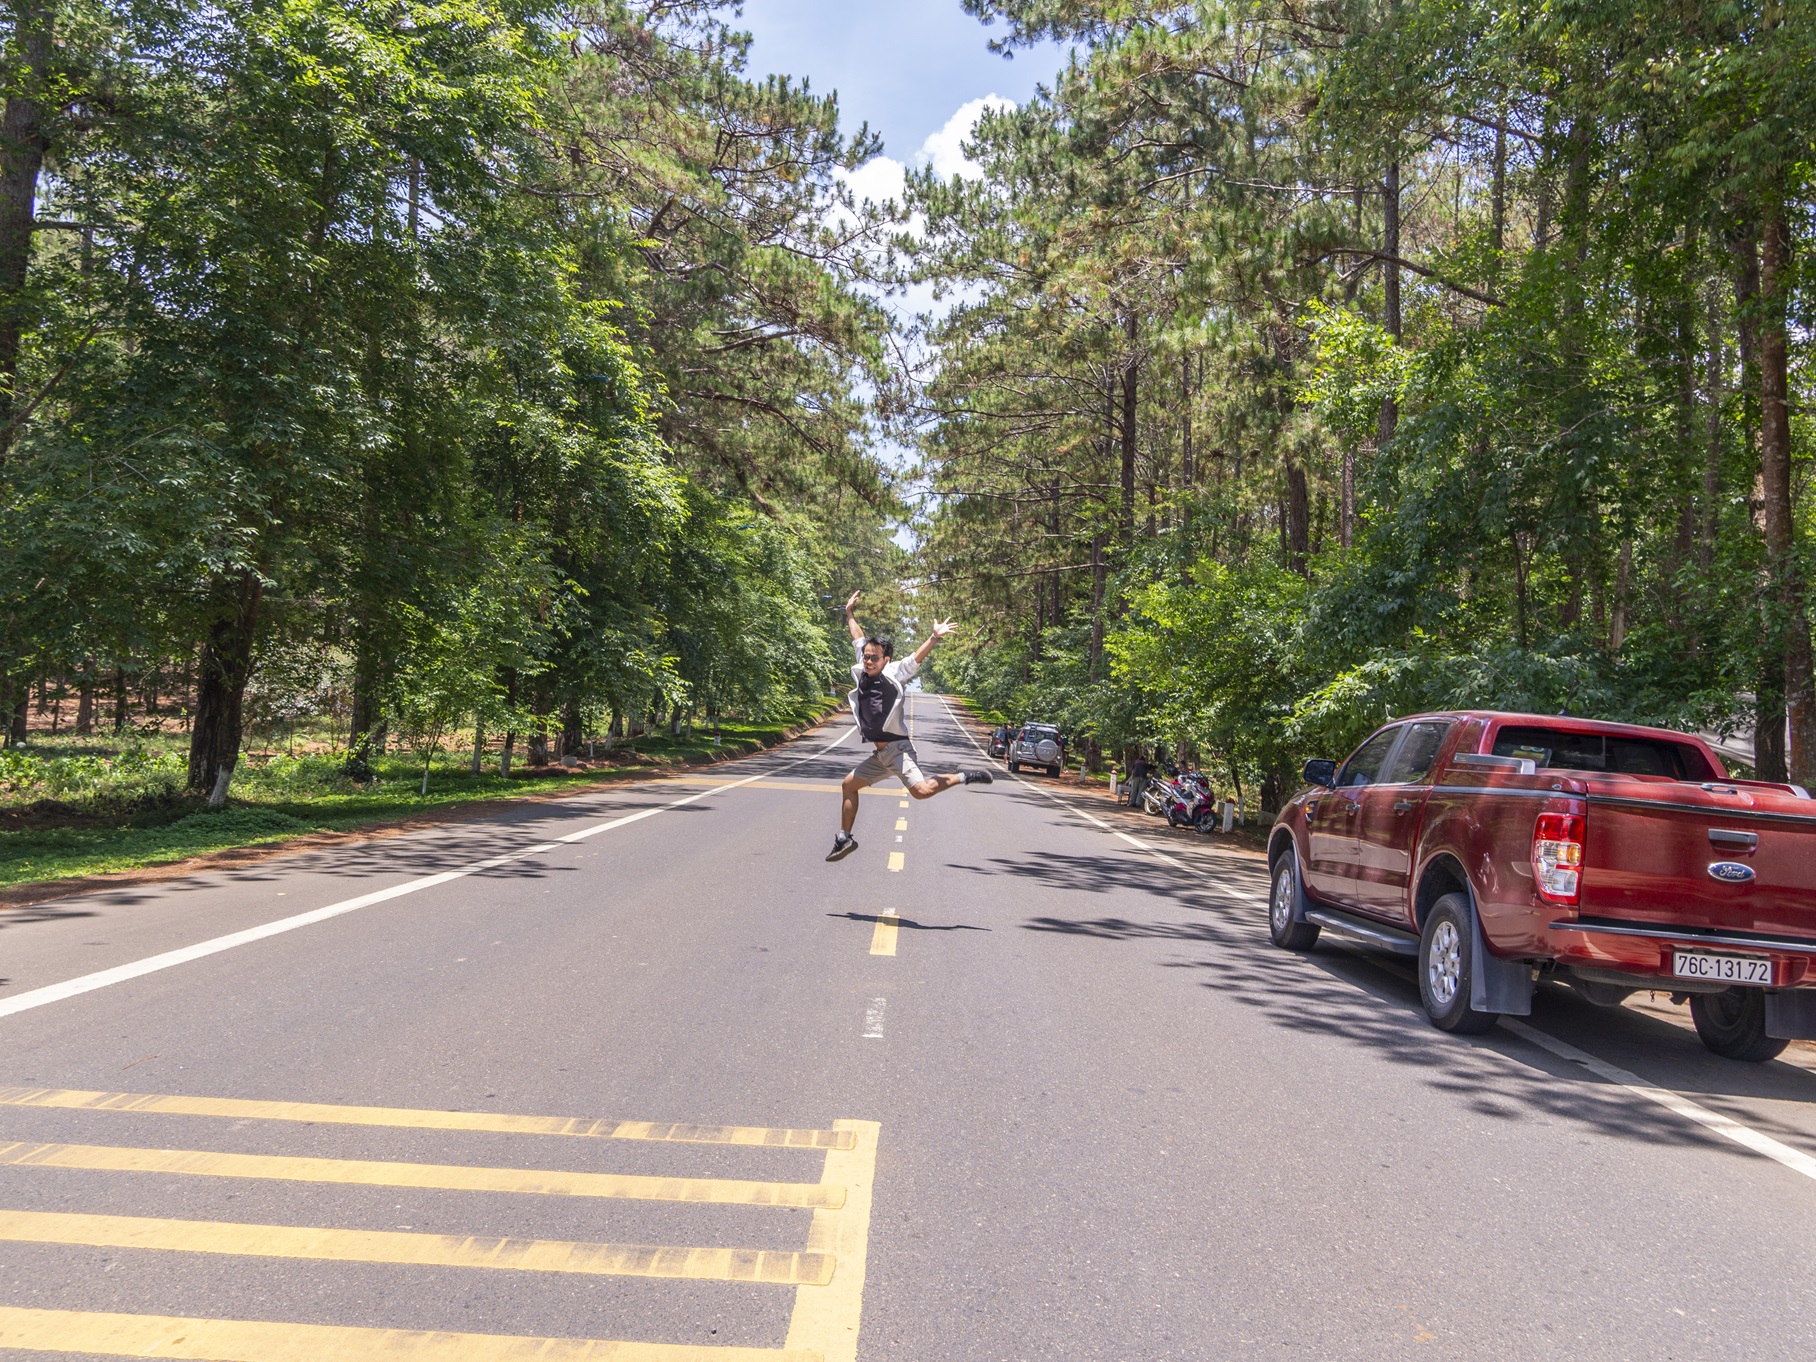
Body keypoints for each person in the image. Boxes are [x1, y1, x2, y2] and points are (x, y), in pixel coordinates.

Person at [826, 590, 993, 862]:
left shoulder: (894, 672)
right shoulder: (863, 665)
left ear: (886, 660)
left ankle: (963, 776)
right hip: (881, 756)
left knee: (921, 792)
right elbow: (857, 636)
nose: (868, 661)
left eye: (874, 658)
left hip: (898, 750)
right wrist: (849, 613)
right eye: (866, 657)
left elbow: (916, 658)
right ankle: (845, 838)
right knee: (848, 785)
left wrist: (934, 637)